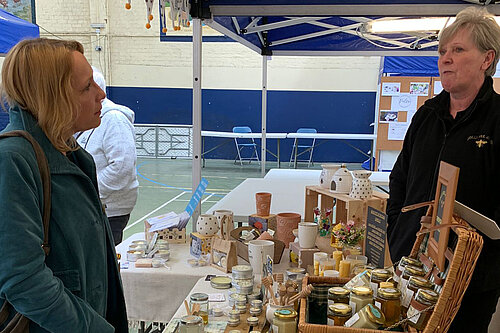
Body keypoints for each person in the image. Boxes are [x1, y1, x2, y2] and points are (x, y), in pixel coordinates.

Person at [0, 38, 127, 332]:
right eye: (86, 87)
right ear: (52, 97)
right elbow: (23, 281)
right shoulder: (12, 161)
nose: (101, 94)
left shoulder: (73, 156)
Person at [387, 7, 500, 332]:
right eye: (442, 51)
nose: (445, 59)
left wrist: (464, 234)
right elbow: (400, 180)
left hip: (469, 282)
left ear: (486, 59)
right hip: (410, 268)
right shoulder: (426, 116)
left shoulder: (497, 121)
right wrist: (399, 231)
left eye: (458, 50)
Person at [76, 67, 139, 246]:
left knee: (104, 264)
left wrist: (88, 190)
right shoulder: (86, 118)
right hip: (92, 206)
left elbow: (122, 168)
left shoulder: (114, 120)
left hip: (110, 210)